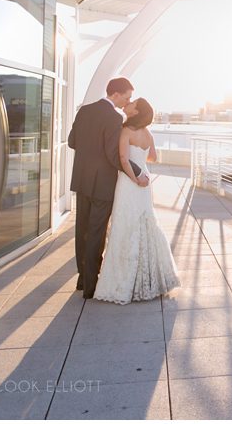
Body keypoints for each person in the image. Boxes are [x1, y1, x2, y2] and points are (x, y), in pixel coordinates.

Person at [68, 77, 148, 300]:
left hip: (81, 180)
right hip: (102, 183)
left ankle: (83, 279)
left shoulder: (84, 111)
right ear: (116, 94)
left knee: (82, 231)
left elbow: (72, 141)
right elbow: (115, 155)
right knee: (96, 233)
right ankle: (91, 286)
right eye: (127, 96)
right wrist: (138, 171)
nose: (128, 101)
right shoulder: (114, 117)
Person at [94, 97, 180, 304]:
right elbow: (153, 157)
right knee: (145, 222)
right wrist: (141, 167)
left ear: (135, 111)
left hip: (129, 182)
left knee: (125, 223)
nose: (129, 103)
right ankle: (152, 278)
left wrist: (134, 178)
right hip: (145, 180)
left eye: (133, 103)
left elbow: (123, 159)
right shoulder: (147, 133)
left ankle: (124, 281)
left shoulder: (125, 131)